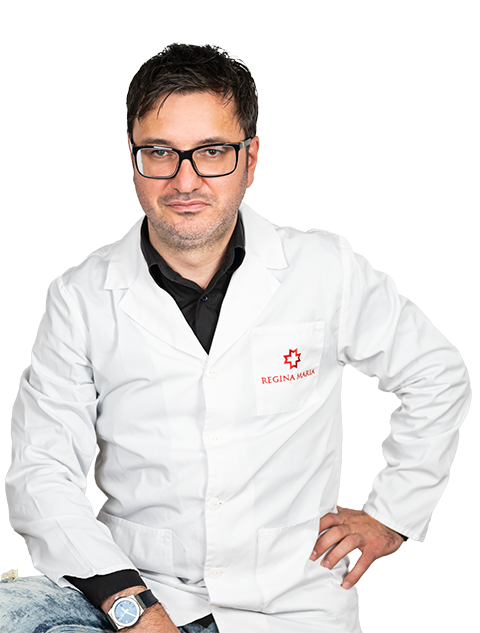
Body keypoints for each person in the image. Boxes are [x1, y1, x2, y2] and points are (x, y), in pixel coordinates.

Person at [3, 42, 470, 633]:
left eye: (212, 152)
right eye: (160, 152)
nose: (185, 180)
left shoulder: (325, 270)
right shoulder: (82, 296)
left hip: (289, 605)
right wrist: (132, 607)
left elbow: (436, 375)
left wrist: (391, 515)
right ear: (134, 160)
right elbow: (43, 471)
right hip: (139, 587)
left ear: (250, 159)